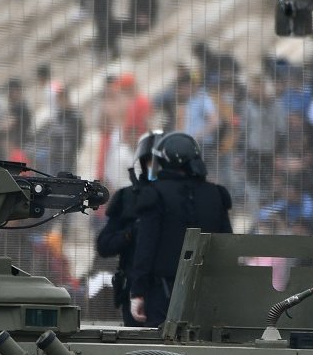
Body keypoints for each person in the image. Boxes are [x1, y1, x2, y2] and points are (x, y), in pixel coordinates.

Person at [129, 131, 233, 325]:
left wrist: (138, 292)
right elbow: (227, 244)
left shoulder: (155, 194)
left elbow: (146, 246)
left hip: (163, 293)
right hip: (208, 292)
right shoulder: (216, 194)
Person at [95, 129, 160, 325]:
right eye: (150, 161)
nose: (154, 167)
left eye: (159, 162)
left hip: (168, 290)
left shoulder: (179, 198)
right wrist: (130, 234)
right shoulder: (127, 198)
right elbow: (104, 245)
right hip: (133, 290)